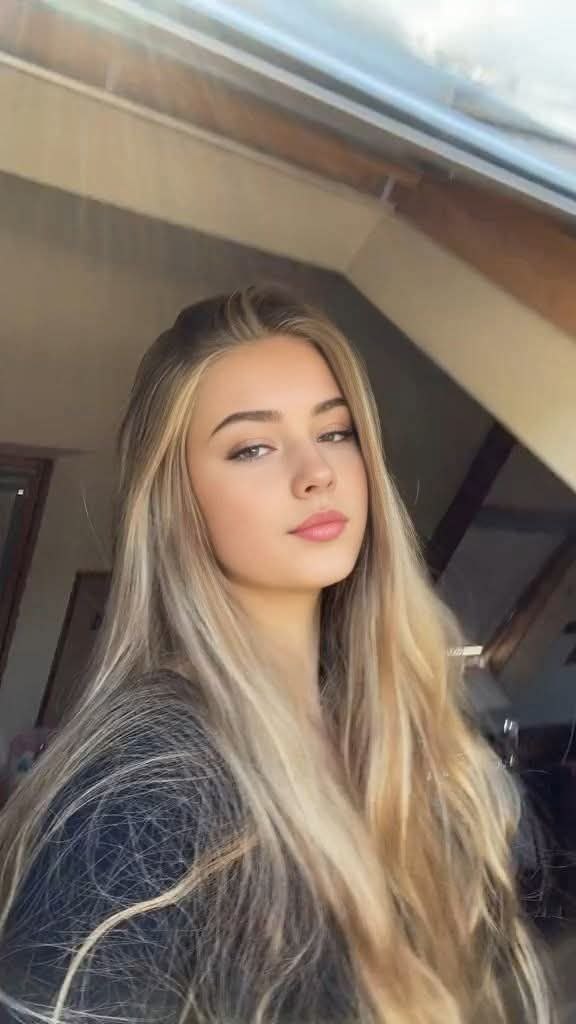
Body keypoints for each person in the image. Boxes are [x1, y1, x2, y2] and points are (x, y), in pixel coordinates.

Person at [0, 285, 553, 1023]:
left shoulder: (381, 719)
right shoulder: (144, 787)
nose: (316, 471)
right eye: (252, 447)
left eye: (336, 432)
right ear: (177, 502)